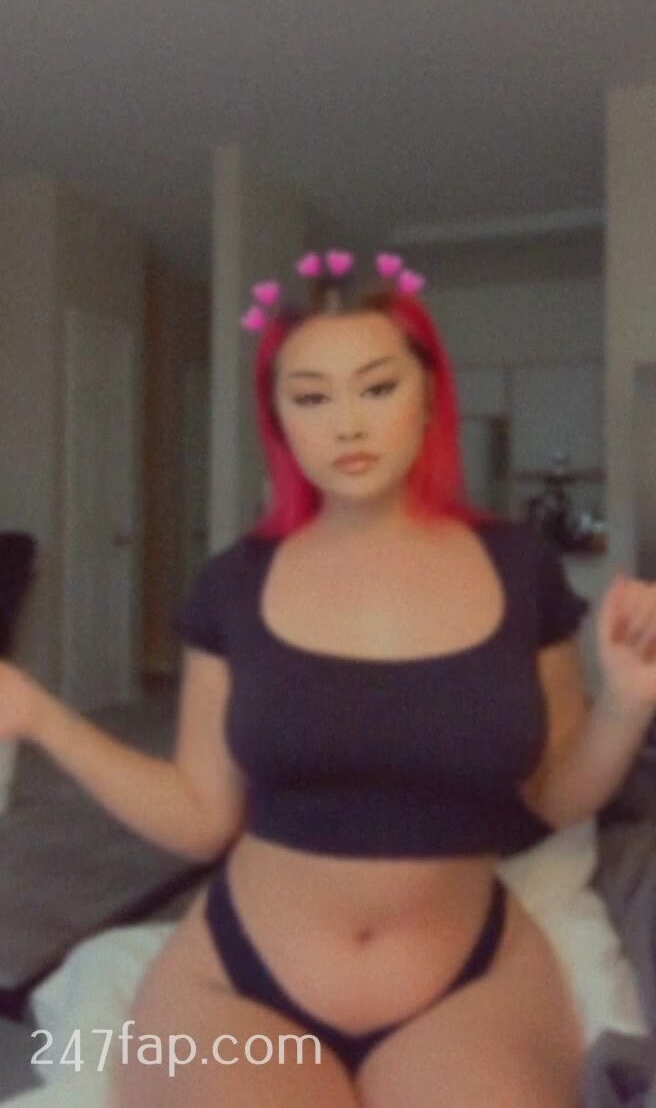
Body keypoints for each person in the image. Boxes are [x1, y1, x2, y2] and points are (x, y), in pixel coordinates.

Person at [1, 249, 655, 1108]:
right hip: (241, 981)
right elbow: (200, 815)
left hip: (465, 979)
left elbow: (556, 792)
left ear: (428, 397)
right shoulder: (233, 584)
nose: (347, 423)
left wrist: (627, 702)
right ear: (280, 422)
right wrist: (39, 715)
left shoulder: (520, 566)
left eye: (376, 387)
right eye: (310, 397)